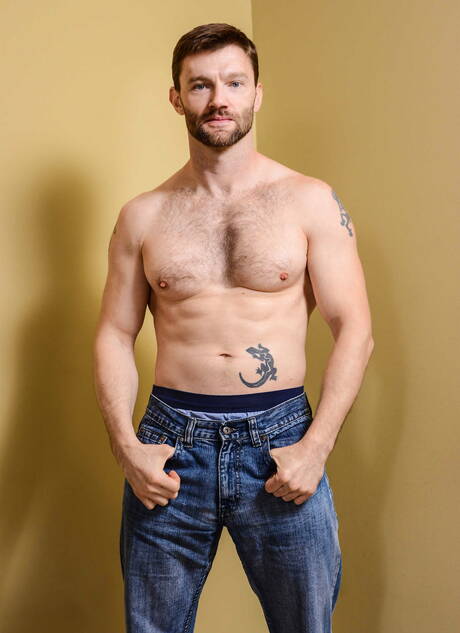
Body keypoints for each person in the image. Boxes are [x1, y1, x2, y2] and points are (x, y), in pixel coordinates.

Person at [92, 22, 374, 633]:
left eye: (234, 83)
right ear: (177, 98)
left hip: (281, 442)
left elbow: (354, 327)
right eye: (200, 85)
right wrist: (127, 448)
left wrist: (315, 448)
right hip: (171, 446)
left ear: (257, 93)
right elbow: (114, 333)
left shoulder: (309, 200)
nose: (219, 98)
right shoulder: (143, 215)